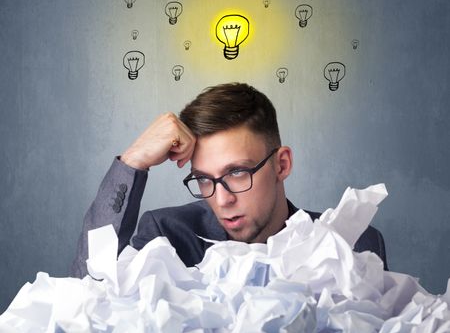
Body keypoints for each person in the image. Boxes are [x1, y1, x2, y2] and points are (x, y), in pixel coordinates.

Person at [71, 82, 388, 278]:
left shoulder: (351, 241)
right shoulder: (166, 237)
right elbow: (89, 288)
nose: (222, 200)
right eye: (204, 179)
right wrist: (133, 161)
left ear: (282, 164)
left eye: (238, 172)